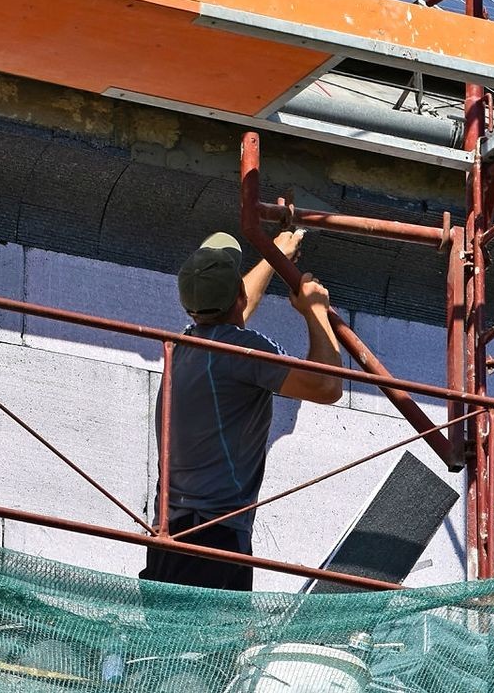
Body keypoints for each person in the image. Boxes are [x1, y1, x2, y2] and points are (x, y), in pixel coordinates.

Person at [141, 229, 344, 591]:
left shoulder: (187, 342)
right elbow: (327, 387)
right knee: (215, 646)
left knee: (169, 645)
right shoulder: (242, 351)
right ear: (236, 293)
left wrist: (276, 254)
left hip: (169, 534)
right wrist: (316, 312)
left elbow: (235, 309)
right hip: (214, 539)